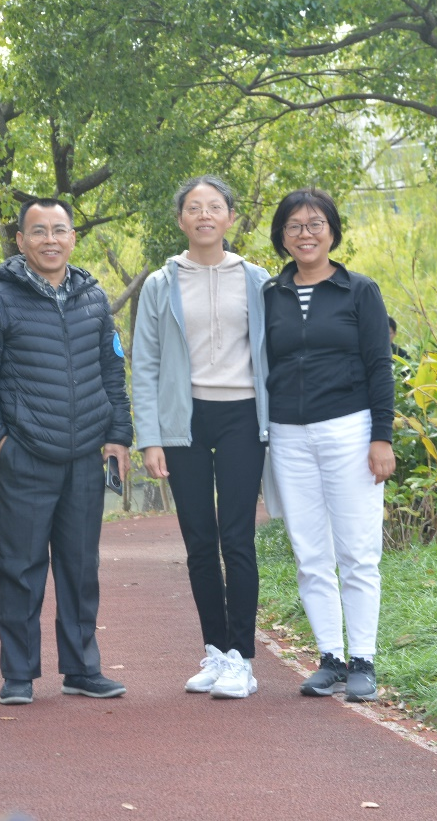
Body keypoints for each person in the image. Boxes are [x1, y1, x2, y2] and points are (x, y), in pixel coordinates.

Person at [0, 197, 133, 705]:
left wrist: (118, 435)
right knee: (20, 568)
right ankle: (18, 674)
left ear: (73, 238)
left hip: (85, 455)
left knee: (81, 568)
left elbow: (112, 371)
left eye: (59, 230)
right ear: (21, 241)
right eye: (38, 231)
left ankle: (82, 669)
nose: (50, 240)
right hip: (27, 455)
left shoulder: (94, 298)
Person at [131, 175, 269, 700]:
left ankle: (242, 658)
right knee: (198, 541)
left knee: (237, 537)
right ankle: (215, 650)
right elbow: (145, 362)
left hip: (242, 416)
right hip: (182, 420)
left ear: (230, 217)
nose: (204, 215)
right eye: (194, 207)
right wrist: (150, 437)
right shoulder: (160, 283)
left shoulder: (257, 280)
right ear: (181, 219)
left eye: (215, 207)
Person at [263, 187, 396, 703]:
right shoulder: (270, 295)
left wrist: (381, 437)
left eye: (315, 224)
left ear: (332, 232)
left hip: (350, 429)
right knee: (310, 552)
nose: (305, 234)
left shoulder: (359, 290)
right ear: (282, 236)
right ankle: (330, 658)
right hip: (289, 435)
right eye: (294, 226)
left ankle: (363, 659)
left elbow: (379, 367)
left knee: (358, 551)